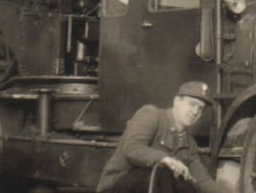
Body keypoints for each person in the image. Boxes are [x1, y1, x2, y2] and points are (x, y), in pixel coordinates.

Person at [96, 81, 233, 193]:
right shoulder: (152, 115)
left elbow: (203, 181)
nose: (195, 112)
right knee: (165, 174)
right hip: (117, 185)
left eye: (200, 109)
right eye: (192, 104)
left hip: (154, 186)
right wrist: (167, 160)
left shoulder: (189, 143)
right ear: (177, 102)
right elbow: (132, 149)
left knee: (190, 187)